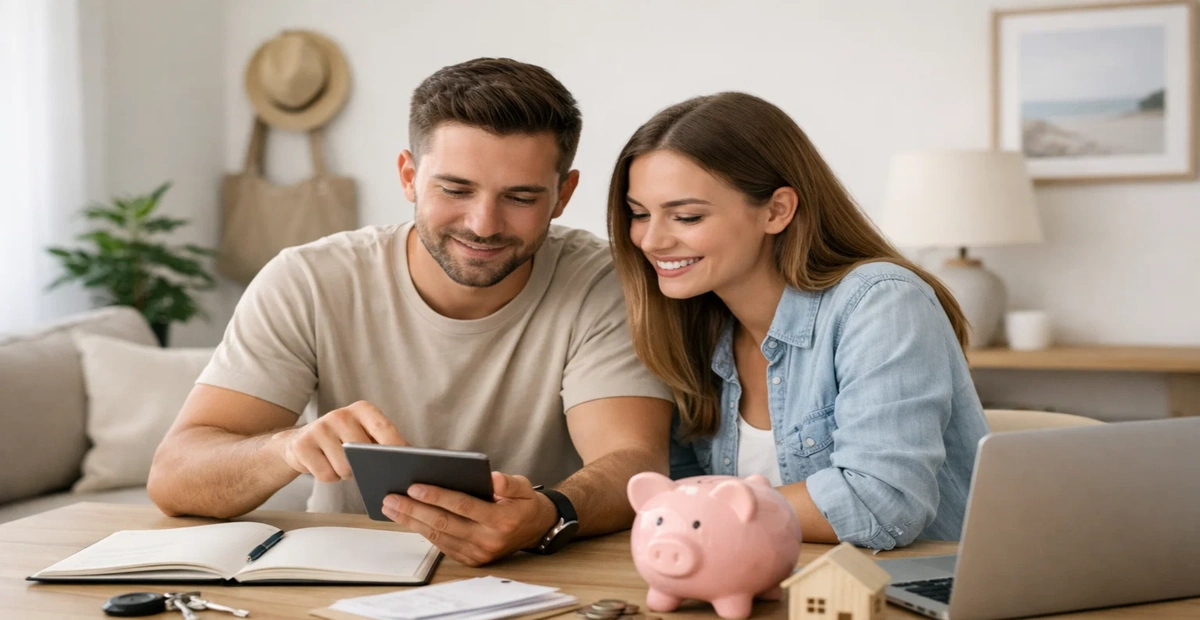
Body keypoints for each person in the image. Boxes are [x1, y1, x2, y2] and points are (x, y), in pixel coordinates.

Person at [148, 58, 674, 567]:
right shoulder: (308, 279)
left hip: (534, 571)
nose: (484, 223)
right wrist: (286, 449)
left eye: (519, 197)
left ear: (563, 194)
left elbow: (634, 462)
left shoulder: (603, 280)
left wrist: (548, 514)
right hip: (344, 572)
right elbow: (174, 477)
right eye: (455, 189)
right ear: (408, 176)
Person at [606, 92, 988, 550]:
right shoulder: (690, 326)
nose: (651, 240)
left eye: (686, 216)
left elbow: (882, 504)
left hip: (900, 599)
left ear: (776, 210)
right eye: (638, 214)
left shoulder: (880, 303)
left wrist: (705, 510)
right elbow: (677, 489)